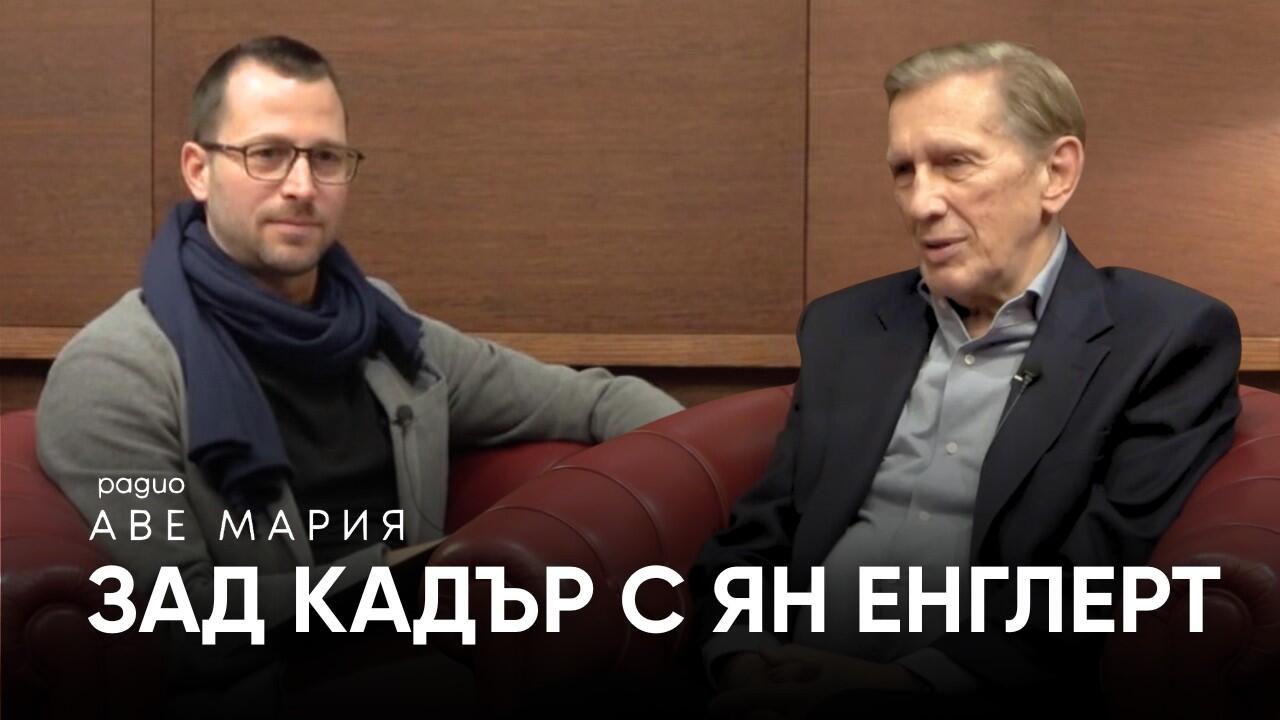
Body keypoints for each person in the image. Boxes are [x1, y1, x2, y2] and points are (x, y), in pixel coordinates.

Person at [35, 35, 681, 716]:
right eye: (267, 154)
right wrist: (406, 578)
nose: (301, 187)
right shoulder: (114, 373)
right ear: (199, 170)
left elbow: (595, 401)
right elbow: (183, 620)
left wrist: (717, 491)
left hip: (436, 660)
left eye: (326, 158)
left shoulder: (385, 331)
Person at [692, 40, 1241, 716]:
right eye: (904, 171)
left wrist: (908, 684)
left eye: (955, 163)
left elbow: (1100, 576)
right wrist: (742, 657)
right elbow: (761, 533)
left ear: (1056, 173)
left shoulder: (1163, 338)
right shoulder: (846, 327)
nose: (921, 203)